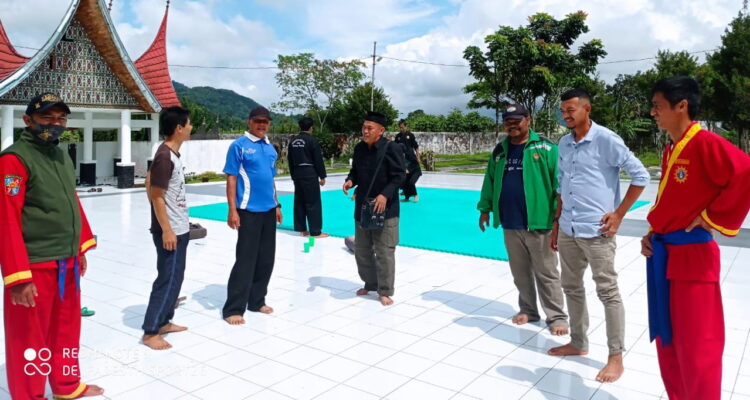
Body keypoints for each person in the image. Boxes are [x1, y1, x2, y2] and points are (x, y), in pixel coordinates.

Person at [642, 77, 750, 400]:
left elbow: (745, 172)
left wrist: (711, 217)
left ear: (682, 106)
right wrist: (652, 232)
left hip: (692, 260)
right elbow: (673, 200)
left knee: (698, 348)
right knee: (669, 341)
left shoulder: (705, 143)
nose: (653, 113)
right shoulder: (672, 148)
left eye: (658, 106)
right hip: (665, 255)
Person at [0, 93, 104, 398]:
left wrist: (80, 247)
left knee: (67, 330)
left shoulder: (59, 155)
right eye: (47, 118)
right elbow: (6, 220)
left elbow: (70, 201)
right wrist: (18, 278)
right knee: (29, 338)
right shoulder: (13, 160)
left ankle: (67, 385)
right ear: (28, 120)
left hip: (66, 262)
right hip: (35, 265)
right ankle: (29, 395)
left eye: (61, 119)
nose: (55, 125)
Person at [548, 88, 650, 383]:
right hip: (568, 227)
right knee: (571, 286)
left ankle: (615, 357)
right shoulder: (564, 144)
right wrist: (557, 225)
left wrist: (619, 214)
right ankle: (578, 343)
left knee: (607, 292)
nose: (566, 115)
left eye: (571, 110)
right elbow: (562, 188)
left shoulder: (606, 139)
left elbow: (640, 175)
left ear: (587, 109)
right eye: (563, 111)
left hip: (598, 231)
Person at [477, 104, 568, 335]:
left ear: (528, 120)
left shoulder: (547, 148)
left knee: (546, 271)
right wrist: (485, 209)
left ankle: (556, 316)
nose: (512, 124)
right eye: (508, 120)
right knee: (520, 272)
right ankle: (528, 310)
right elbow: (489, 181)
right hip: (510, 221)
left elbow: (560, 186)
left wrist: (558, 219)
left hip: (539, 222)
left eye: (517, 119)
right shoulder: (499, 151)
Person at [222, 106, 282, 325]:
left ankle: (257, 301)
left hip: (268, 210)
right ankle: (233, 308)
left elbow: (270, 179)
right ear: (249, 122)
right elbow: (231, 178)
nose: (262, 125)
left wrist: (277, 204)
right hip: (248, 211)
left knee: (266, 259)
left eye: (266, 121)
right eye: (258, 121)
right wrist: (232, 209)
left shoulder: (270, 148)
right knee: (245, 260)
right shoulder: (239, 146)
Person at [142, 106, 193, 350]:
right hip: (170, 230)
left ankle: (164, 321)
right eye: (189, 124)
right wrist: (166, 229)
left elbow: (148, 182)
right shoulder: (164, 156)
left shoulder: (170, 155)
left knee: (175, 276)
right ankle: (151, 331)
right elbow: (156, 194)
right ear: (179, 128)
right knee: (166, 278)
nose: (191, 128)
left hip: (179, 227)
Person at [343, 111, 405, 306]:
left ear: (381, 130)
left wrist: (384, 194)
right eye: (364, 127)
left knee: (384, 250)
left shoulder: (392, 148)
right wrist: (350, 181)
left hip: (386, 209)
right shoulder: (359, 149)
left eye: (370, 128)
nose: (365, 131)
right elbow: (355, 172)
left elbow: (399, 176)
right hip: (363, 207)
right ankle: (370, 283)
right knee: (362, 250)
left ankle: (385, 290)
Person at [287, 117, 328, 238]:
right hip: (309, 173)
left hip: (297, 174)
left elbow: (290, 160)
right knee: (313, 202)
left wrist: (293, 175)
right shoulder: (312, 140)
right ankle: (315, 231)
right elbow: (317, 159)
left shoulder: (293, 141)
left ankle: (302, 229)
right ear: (311, 128)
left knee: (299, 201)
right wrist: (322, 175)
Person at [394, 120, 420, 202]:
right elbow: (394, 147)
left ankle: (415, 195)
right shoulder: (398, 136)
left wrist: (418, 157)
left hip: (411, 160)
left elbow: (416, 146)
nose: (401, 129)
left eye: (402, 127)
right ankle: (407, 197)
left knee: (411, 182)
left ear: (406, 126)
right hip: (403, 160)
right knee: (404, 181)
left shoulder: (410, 135)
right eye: (400, 127)